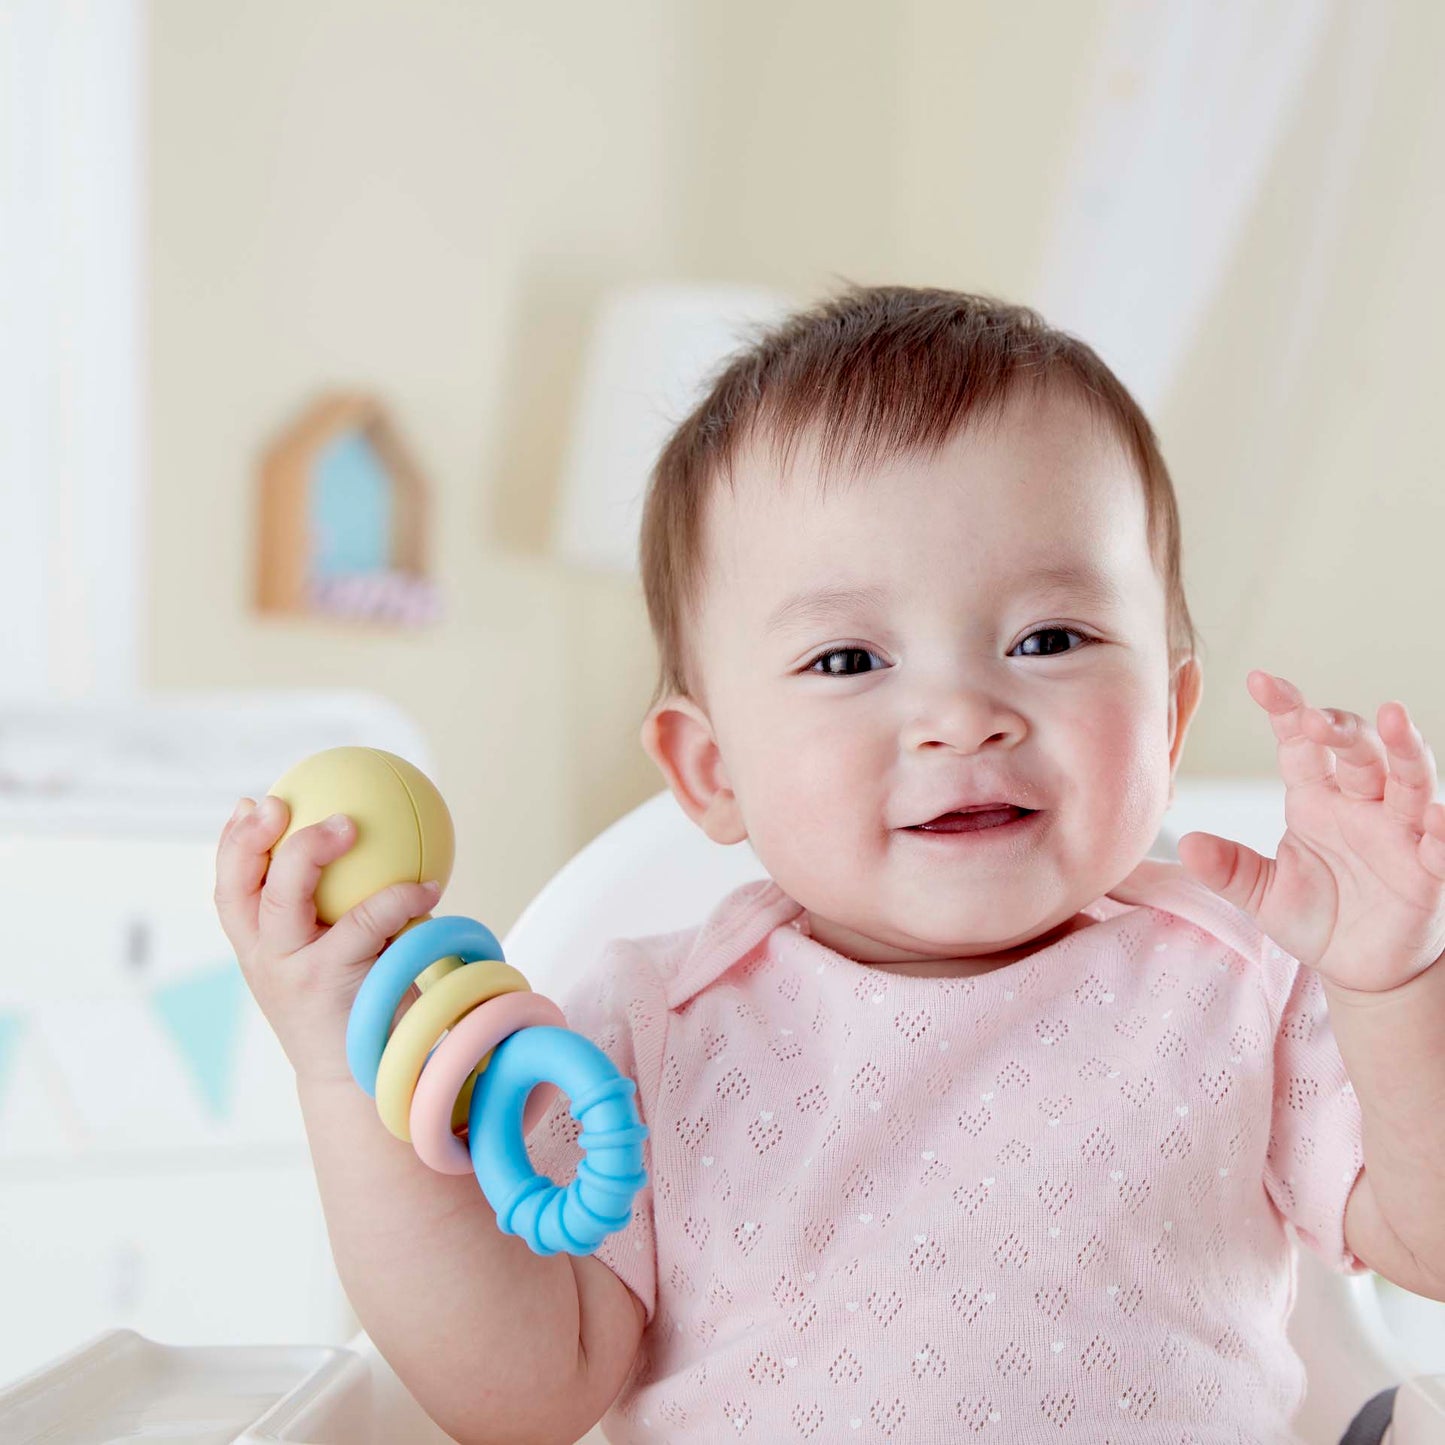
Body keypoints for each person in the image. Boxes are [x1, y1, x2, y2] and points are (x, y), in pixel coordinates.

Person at [214, 285, 1445, 1444]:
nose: (961, 713)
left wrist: (1390, 982)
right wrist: (346, 1077)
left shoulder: (1242, 987)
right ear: (709, 770)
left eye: (1049, 636)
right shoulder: (646, 1032)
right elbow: (515, 1394)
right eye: (849, 660)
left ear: (1167, 725)